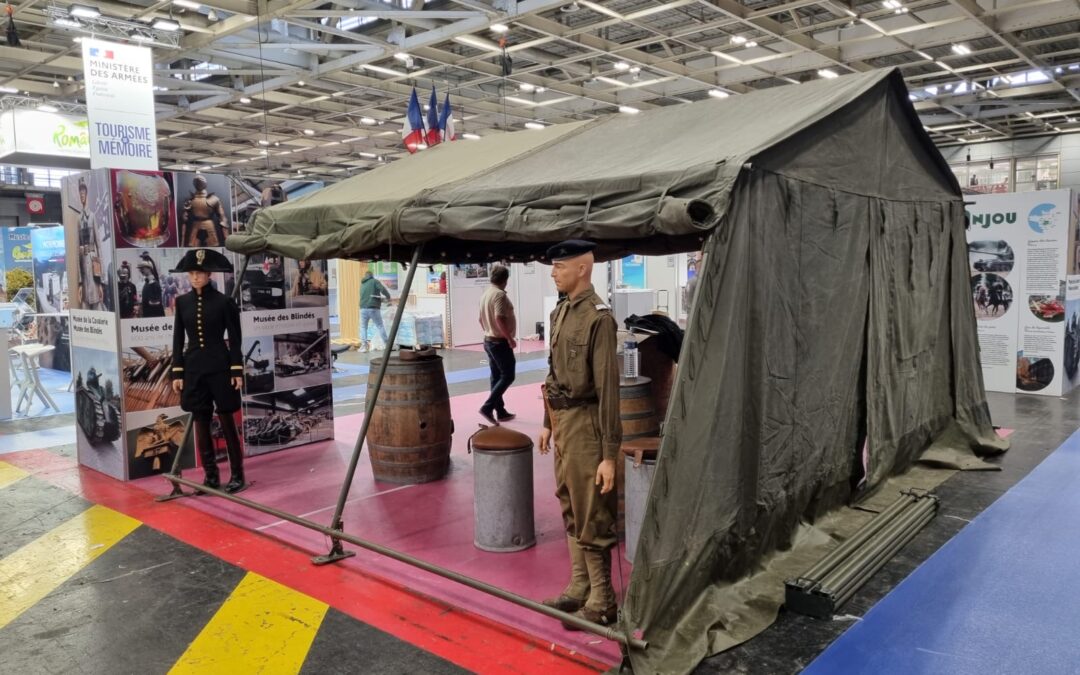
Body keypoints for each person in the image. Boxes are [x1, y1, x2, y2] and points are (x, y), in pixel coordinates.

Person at [537, 239, 621, 628]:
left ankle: (603, 600)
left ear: (582, 268)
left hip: (588, 424)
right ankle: (579, 587)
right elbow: (553, 374)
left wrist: (608, 455)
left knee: (593, 510)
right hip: (564, 423)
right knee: (570, 502)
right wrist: (546, 422)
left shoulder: (598, 318)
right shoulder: (560, 312)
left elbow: (607, 390)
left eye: (559, 266)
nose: (553, 273)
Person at [170, 249, 247, 494]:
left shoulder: (224, 302)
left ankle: (237, 475)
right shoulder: (182, 303)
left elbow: (235, 339)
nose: (195, 278)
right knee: (201, 422)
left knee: (226, 420)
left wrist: (236, 369)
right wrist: (177, 372)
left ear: (209, 274)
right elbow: (177, 339)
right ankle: (211, 476)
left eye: (200, 273)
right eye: (191, 273)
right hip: (194, 369)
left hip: (220, 368)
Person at [478, 264, 517, 425]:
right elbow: (499, 317)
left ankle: (500, 410)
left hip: (489, 340)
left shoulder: (486, 293)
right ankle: (487, 407)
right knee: (508, 375)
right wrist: (509, 338)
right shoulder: (499, 295)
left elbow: (480, 319)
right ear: (505, 280)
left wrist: (488, 331)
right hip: (499, 342)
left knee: (496, 376)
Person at [181, 175, 229, 247]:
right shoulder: (190, 200)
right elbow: (184, 219)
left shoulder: (214, 199)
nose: (199, 184)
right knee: (193, 247)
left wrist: (226, 237)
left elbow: (222, 218)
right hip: (196, 225)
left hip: (208, 225)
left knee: (213, 247)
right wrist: (183, 217)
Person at [359, 269, 392, 352]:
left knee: (363, 327)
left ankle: (364, 346)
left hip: (363, 308)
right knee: (380, 325)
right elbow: (383, 289)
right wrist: (388, 297)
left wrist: (379, 299)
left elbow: (367, 297)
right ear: (372, 275)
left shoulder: (362, 284)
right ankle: (387, 344)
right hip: (373, 308)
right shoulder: (374, 281)